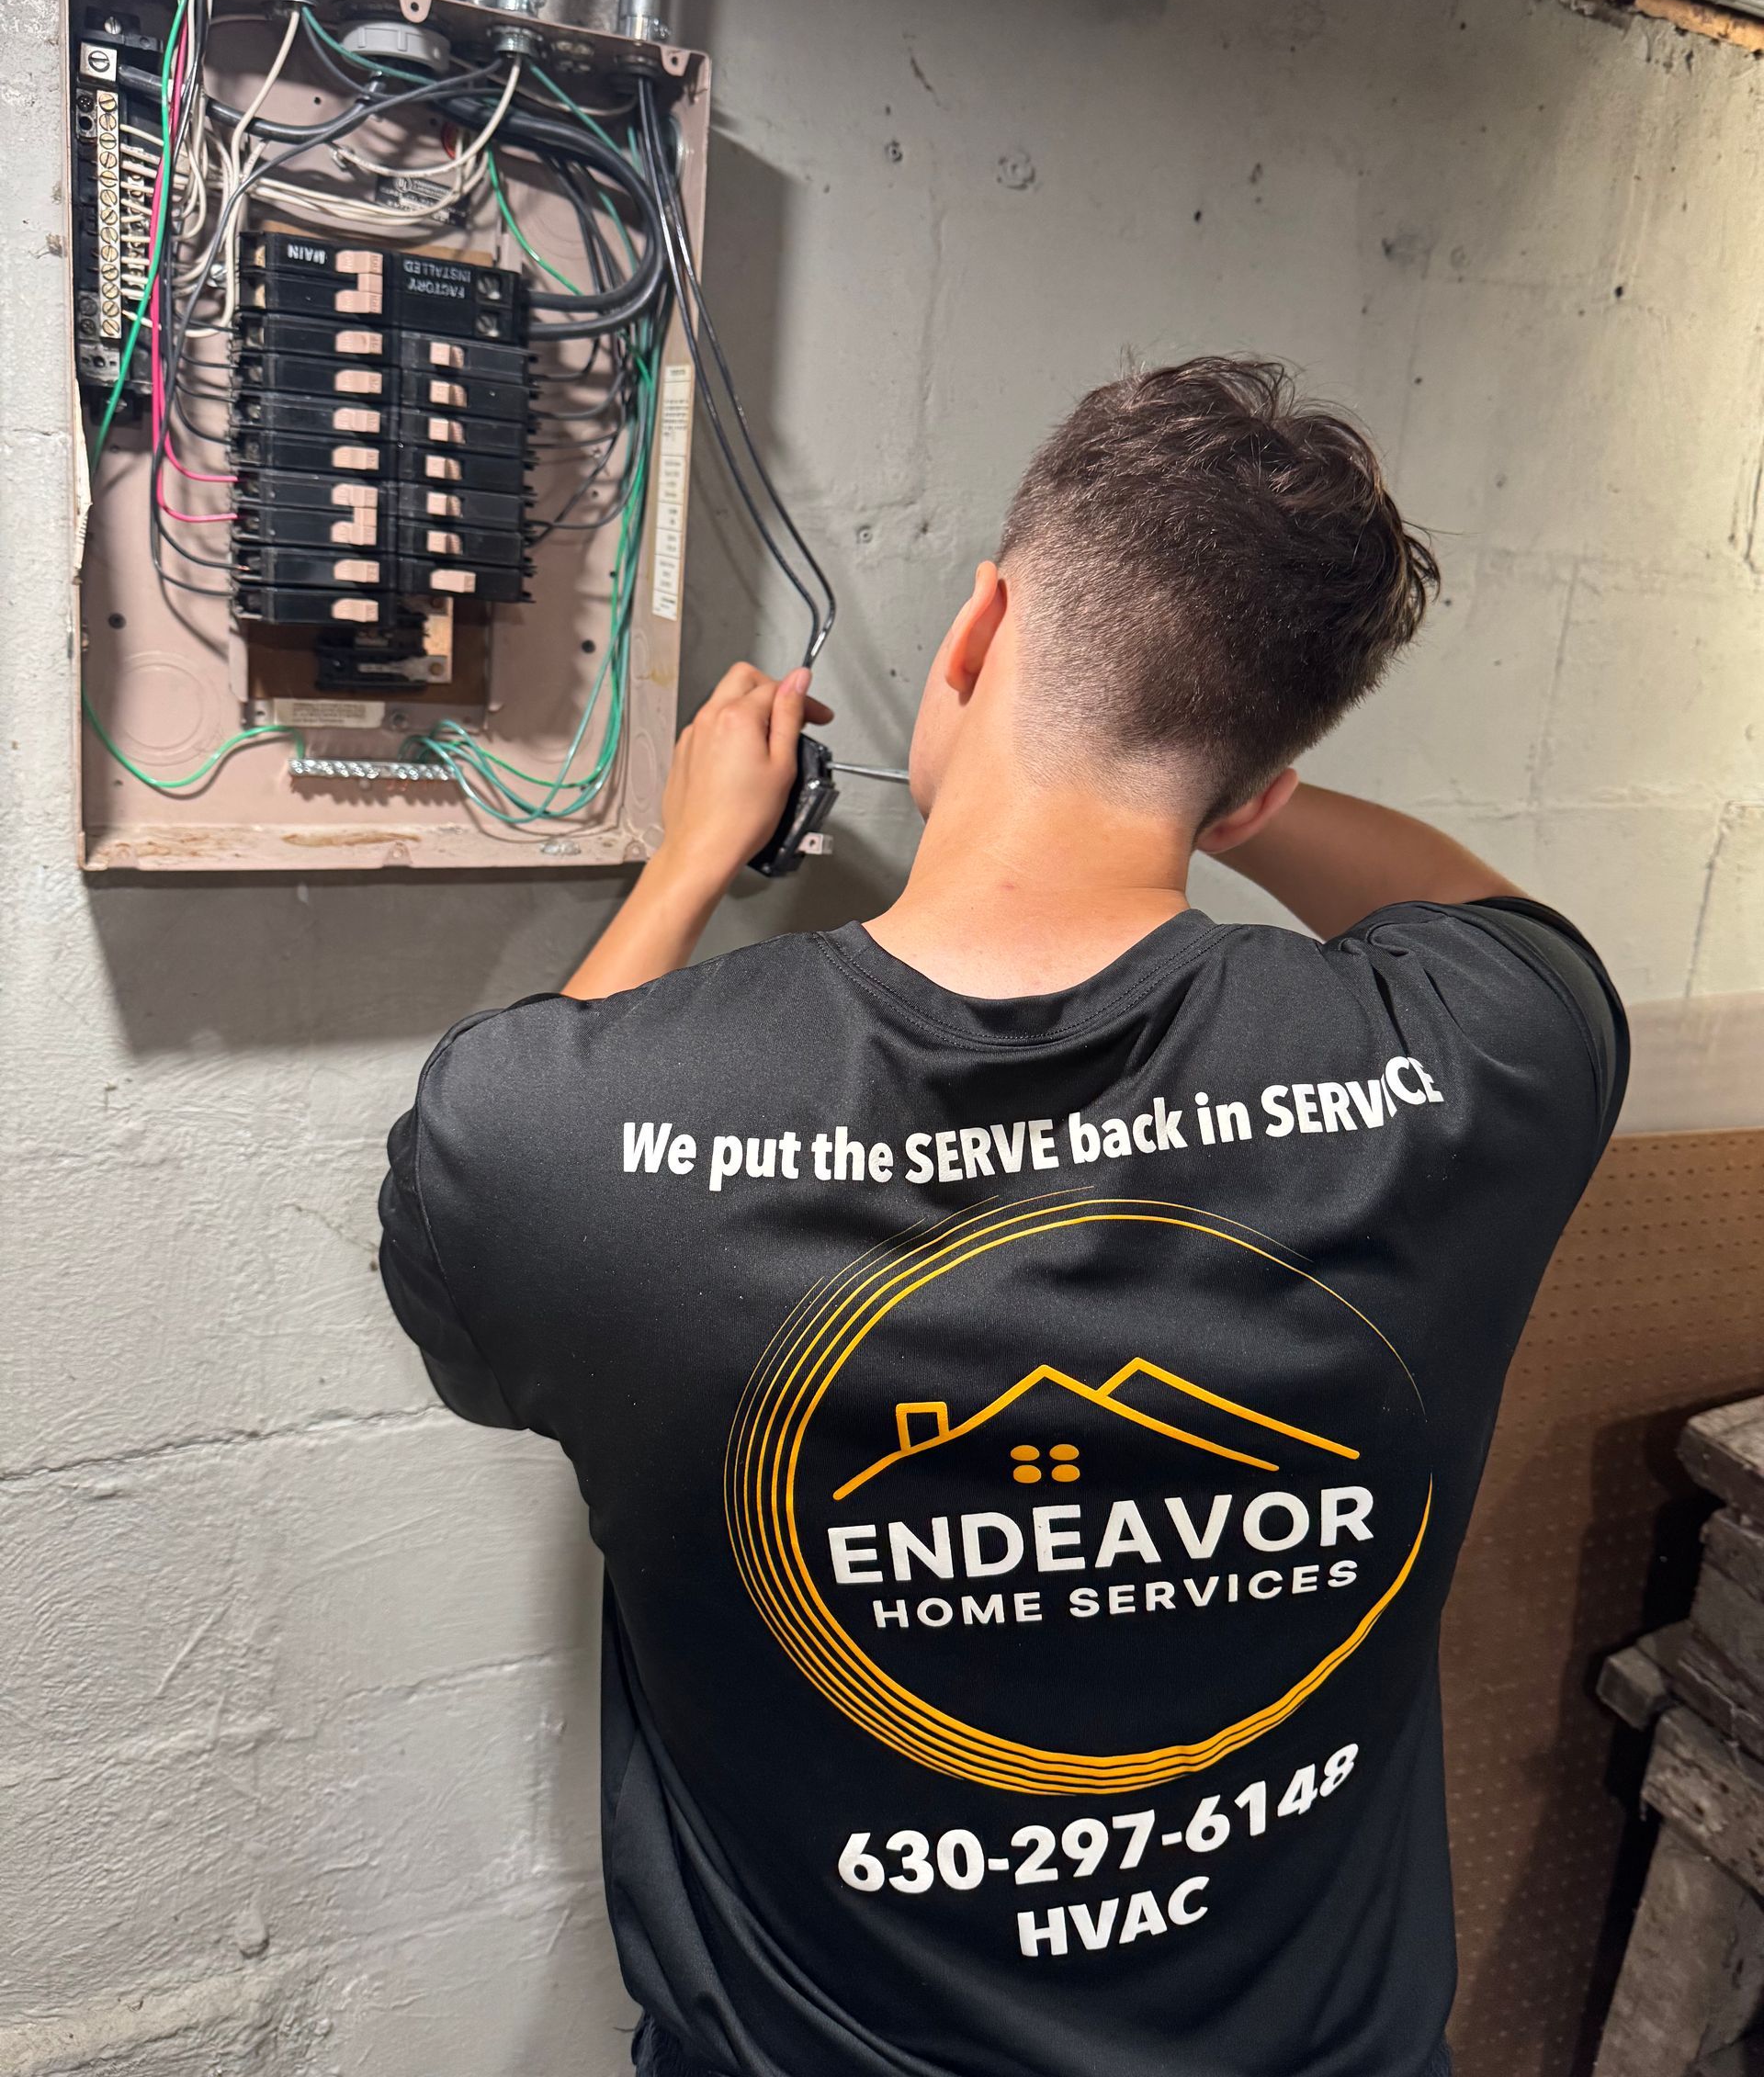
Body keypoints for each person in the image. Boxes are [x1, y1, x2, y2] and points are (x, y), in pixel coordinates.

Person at [379, 358, 1625, 2077]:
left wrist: (684, 861)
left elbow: (527, 1156)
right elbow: (1487, 911)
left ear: (969, 635)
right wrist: (1228, 774)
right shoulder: (1489, 1063)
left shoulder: (544, 1139)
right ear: (1264, 793)